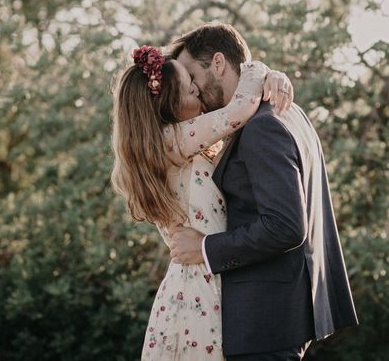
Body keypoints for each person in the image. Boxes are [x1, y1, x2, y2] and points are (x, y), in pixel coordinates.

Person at [168, 22, 359, 360]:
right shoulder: (286, 112)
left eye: (192, 76)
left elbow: (285, 225)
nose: (193, 89)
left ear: (218, 63)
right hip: (280, 314)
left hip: (263, 318)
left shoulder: (261, 127)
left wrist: (206, 247)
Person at [110, 43, 294, 360]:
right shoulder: (172, 141)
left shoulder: (175, 145)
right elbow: (238, 110)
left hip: (201, 281)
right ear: (170, 105)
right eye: (191, 89)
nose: (200, 94)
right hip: (198, 291)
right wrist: (259, 68)